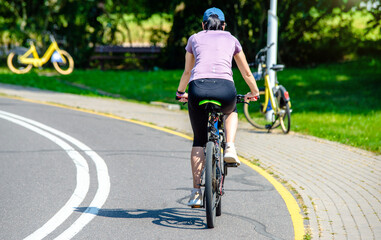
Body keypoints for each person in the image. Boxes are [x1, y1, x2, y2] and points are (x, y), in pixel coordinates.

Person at [176, 7, 260, 207]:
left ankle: (196, 193)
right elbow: (246, 73)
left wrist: (181, 93)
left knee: (199, 140)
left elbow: (188, 72)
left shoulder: (194, 39)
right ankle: (230, 146)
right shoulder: (231, 39)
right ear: (223, 25)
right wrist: (254, 92)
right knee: (230, 110)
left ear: (203, 24)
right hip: (225, 89)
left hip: (198, 88)